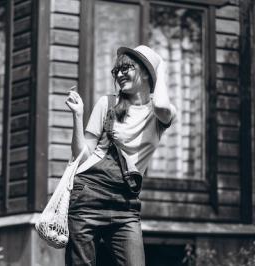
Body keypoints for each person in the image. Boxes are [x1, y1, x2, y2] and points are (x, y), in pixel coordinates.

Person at [64, 45, 177, 266]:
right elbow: (82, 156)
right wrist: (78, 117)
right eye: (117, 70)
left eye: (127, 68)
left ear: (145, 71)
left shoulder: (159, 114)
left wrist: (160, 67)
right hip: (88, 195)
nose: (120, 74)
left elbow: (161, 103)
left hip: (126, 202)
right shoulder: (107, 104)